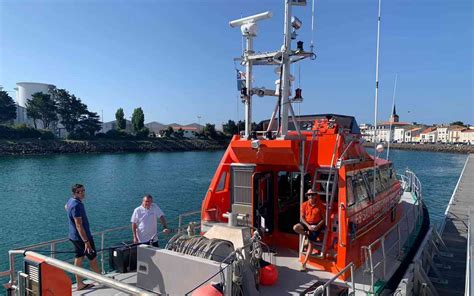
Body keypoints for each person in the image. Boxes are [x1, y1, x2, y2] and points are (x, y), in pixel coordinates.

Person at [65, 184, 100, 290]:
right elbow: (79, 225)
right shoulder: (77, 205)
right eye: (80, 191)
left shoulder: (71, 201)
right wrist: (86, 241)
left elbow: (66, 207)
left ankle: (79, 283)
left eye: (83, 190)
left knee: (79, 258)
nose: (83, 193)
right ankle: (101, 279)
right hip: (82, 238)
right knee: (92, 258)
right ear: (74, 193)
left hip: (73, 236)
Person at [293, 188, 326, 271]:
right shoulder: (304, 204)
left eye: (312, 194)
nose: (310, 196)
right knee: (295, 227)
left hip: (317, 225)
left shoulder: (320, 205)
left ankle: (304, 264)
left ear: (315, 196)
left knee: (311, 244)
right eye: (309, 195)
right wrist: (307, 226)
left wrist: (317, 226)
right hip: (307, 223)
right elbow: (302, 217)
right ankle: (307, 235)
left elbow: (323, 219)